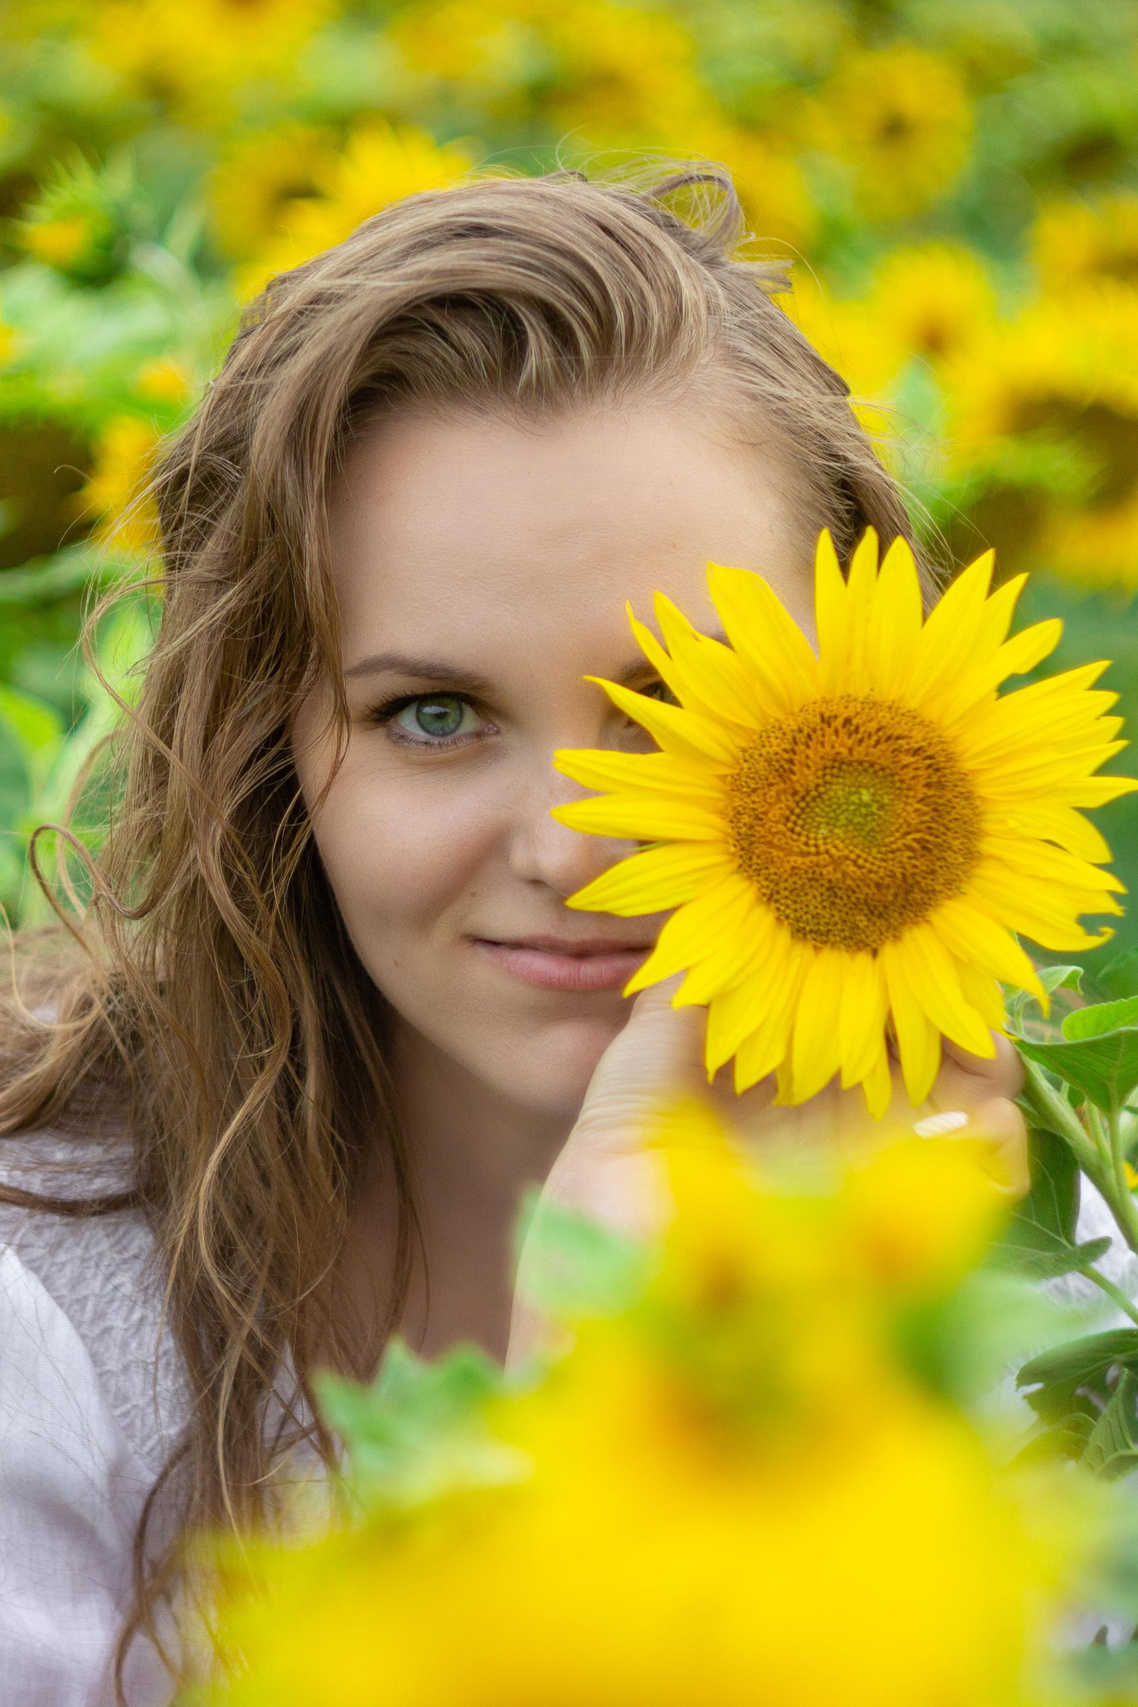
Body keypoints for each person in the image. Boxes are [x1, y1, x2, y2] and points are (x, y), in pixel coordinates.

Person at [0, 162, 1025, 1705]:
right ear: (268, 748)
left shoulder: (1049, 1287)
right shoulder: (46, 1323)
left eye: (676, 707)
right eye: (431, 714)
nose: (576, 845)